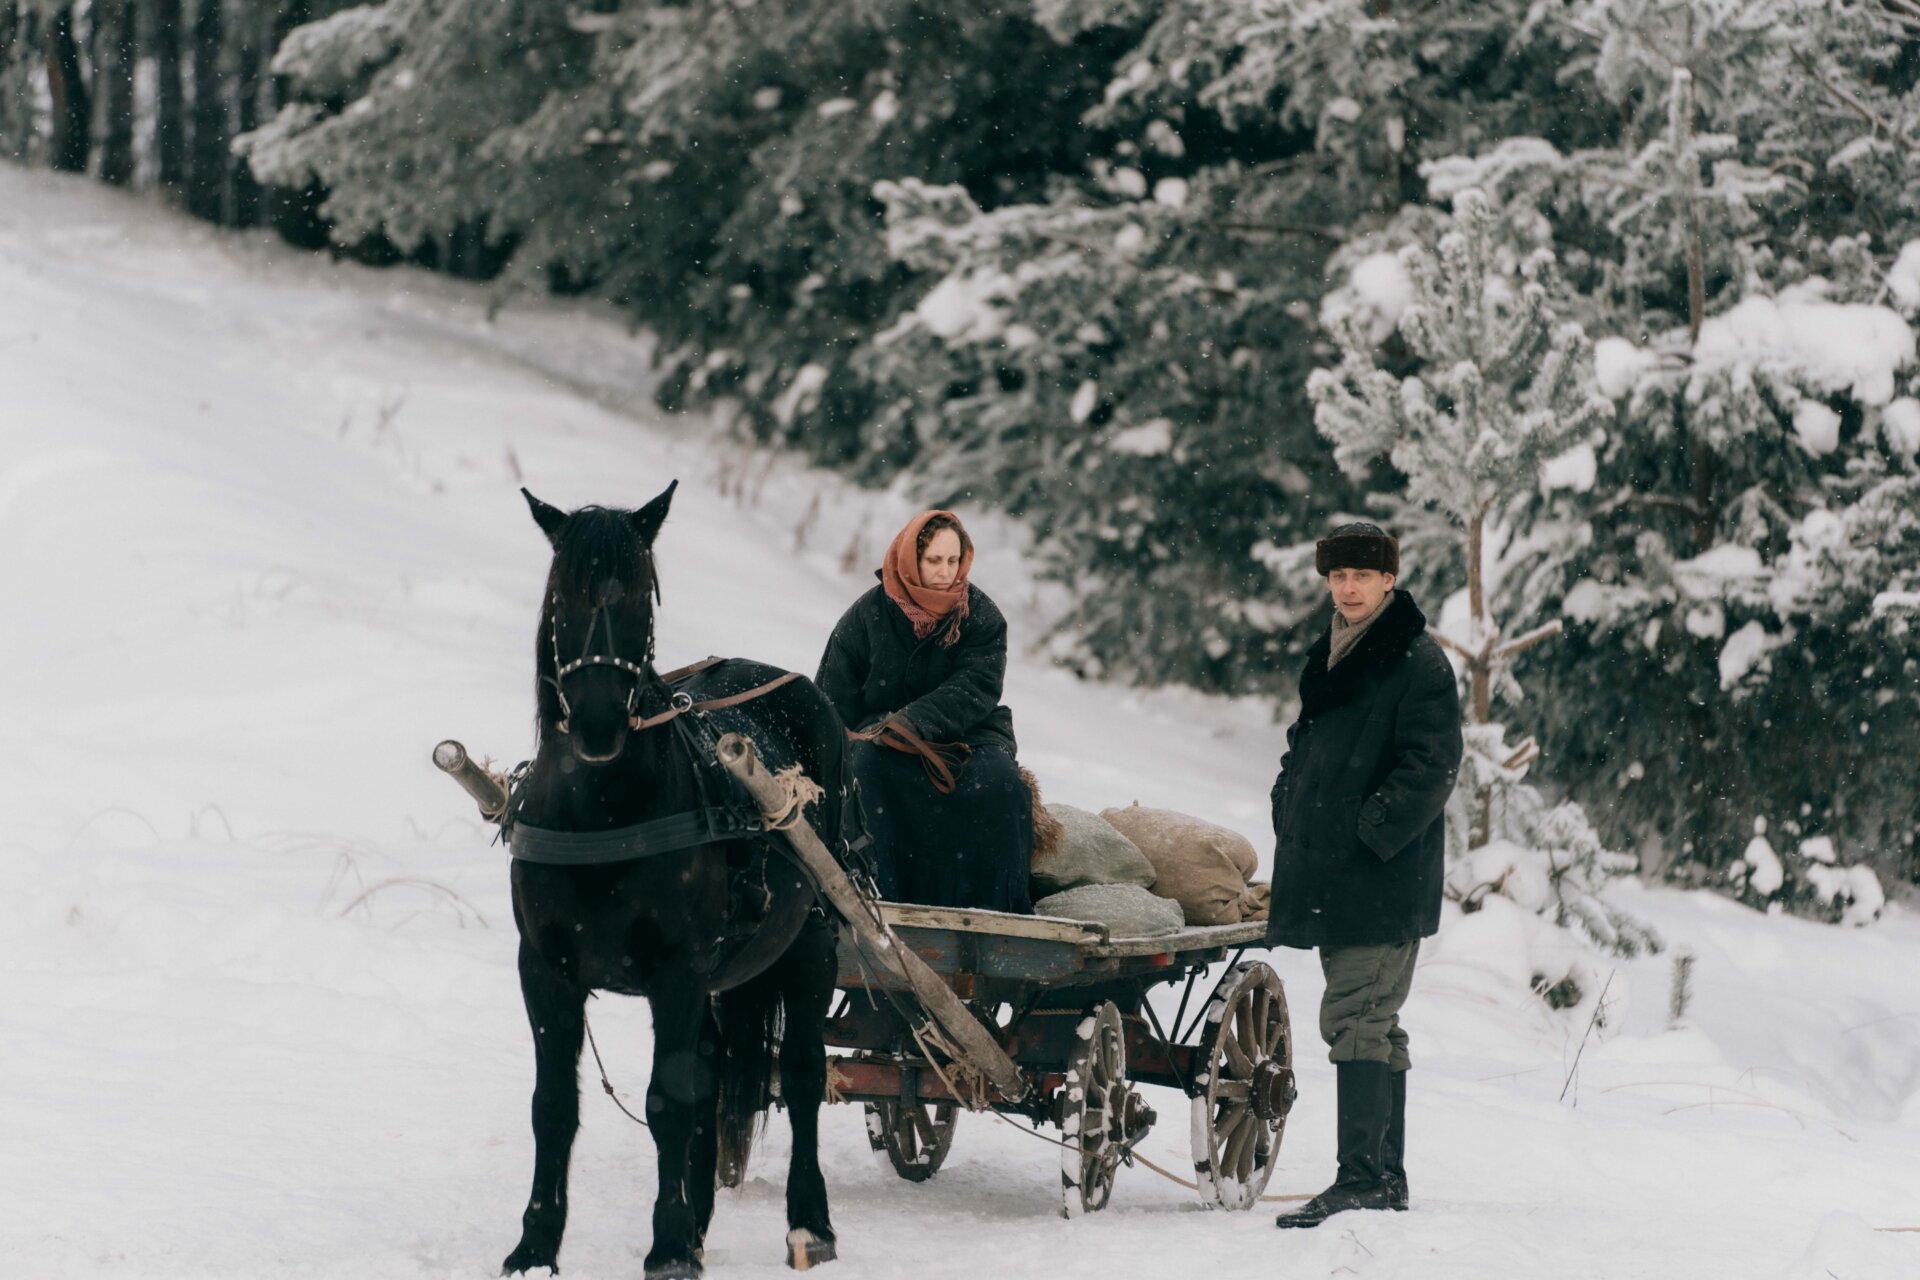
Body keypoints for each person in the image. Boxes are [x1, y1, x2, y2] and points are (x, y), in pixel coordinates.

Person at [1267, 521, 1463, 1228]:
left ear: (1389, 580)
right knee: (1374, 1022)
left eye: (1362, 576)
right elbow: (1308, 745)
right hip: (1340, 876)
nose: (1348, 588)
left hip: (1380, 879)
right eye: (1338, 576)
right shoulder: (1336, 648)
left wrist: (1365, 832)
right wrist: (1288, 799)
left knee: (1356, 1019)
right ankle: (1384, 1177)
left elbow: (1432, 766)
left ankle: (1363, 1179)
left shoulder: (1417, 659)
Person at [816, 510, 1033, 914]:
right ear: (911, 560)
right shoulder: (865, 616)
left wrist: (915, 722)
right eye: (934, 560)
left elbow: (977, 686)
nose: (945, 573)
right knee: (864, 771)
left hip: (970, 735)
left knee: (1001, 785)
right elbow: (833, 695)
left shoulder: (982, 616)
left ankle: (998, 912)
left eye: (953, 561)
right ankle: (878, 900)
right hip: (881, 737)